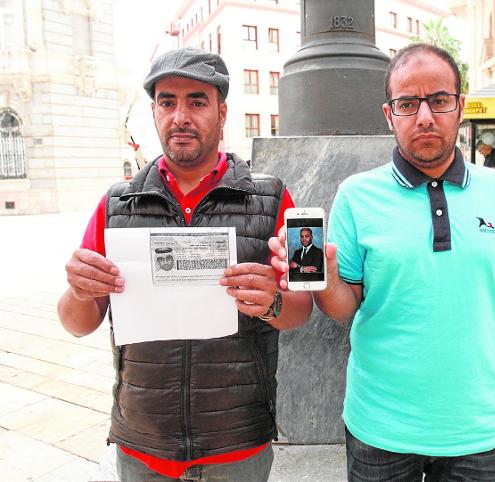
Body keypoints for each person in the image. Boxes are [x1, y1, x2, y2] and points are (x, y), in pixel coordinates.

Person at [271, 43, 495, 482]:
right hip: (379, 431)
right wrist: (323, 277)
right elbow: (345, 308)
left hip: (478, 432)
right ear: (390, 115)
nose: (424, 117)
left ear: (460, 107)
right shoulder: (356, 195)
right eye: (408, 104)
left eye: (438, 101)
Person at [57, 48, 312, 482]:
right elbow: (77, 322)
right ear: (154, 111)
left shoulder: (271, 199)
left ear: (222, 111)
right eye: (167, 101)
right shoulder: (116, 203)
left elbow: (299, 312)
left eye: (197, 101)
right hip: (144, 445)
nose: (180, 116)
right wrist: (80, 289)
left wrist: (271, 302)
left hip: (237, 444)